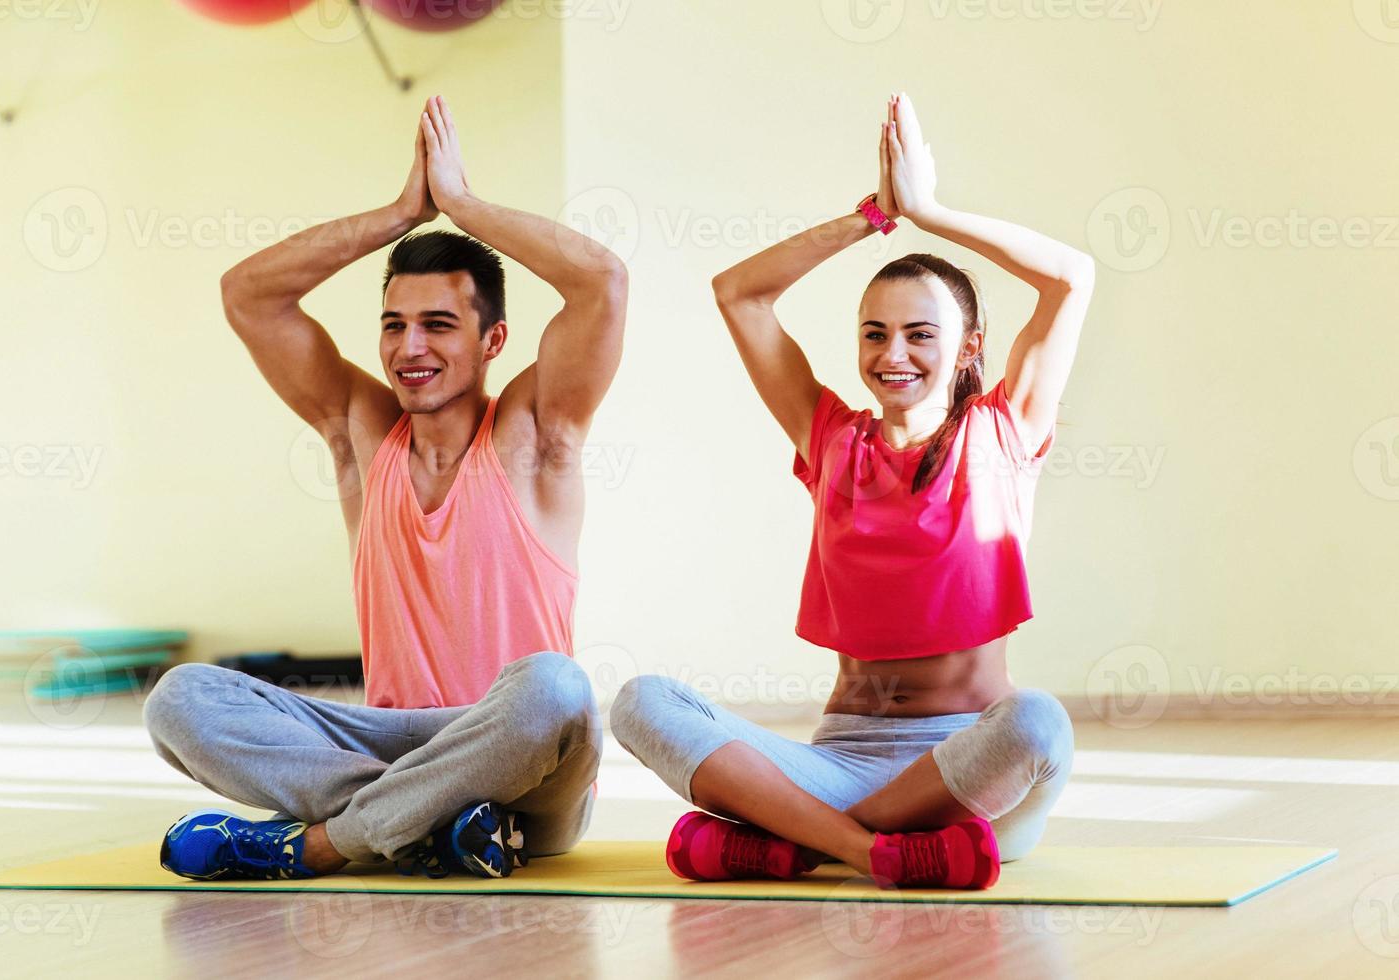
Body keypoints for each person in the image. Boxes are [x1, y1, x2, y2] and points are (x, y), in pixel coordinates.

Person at [610, 92, 1091, 890]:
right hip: (842, 761)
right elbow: (739, 292)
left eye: (920, 333)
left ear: (969, 347)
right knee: (640, 702)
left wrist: (929, 212)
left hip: (968, 771)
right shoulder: (830, 439)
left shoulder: (1003, 433)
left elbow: (1073, 277)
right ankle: (869, 851)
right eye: (874, 332)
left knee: (1039, 723)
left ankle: (793, 841)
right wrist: (870, 218)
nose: (892, 353)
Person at [142, 96, 627, 881]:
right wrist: (401, 213)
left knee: (555, 687)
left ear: (492, 339)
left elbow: (602, 281)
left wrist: (463, 206)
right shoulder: (362, 435)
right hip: (393, 741)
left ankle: (326, 843)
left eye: (438, 323)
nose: (410, 346)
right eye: (394, 323)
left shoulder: (535, 434)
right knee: (179, 699)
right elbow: (249, 295)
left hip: (525, 759)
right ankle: (441, 826)